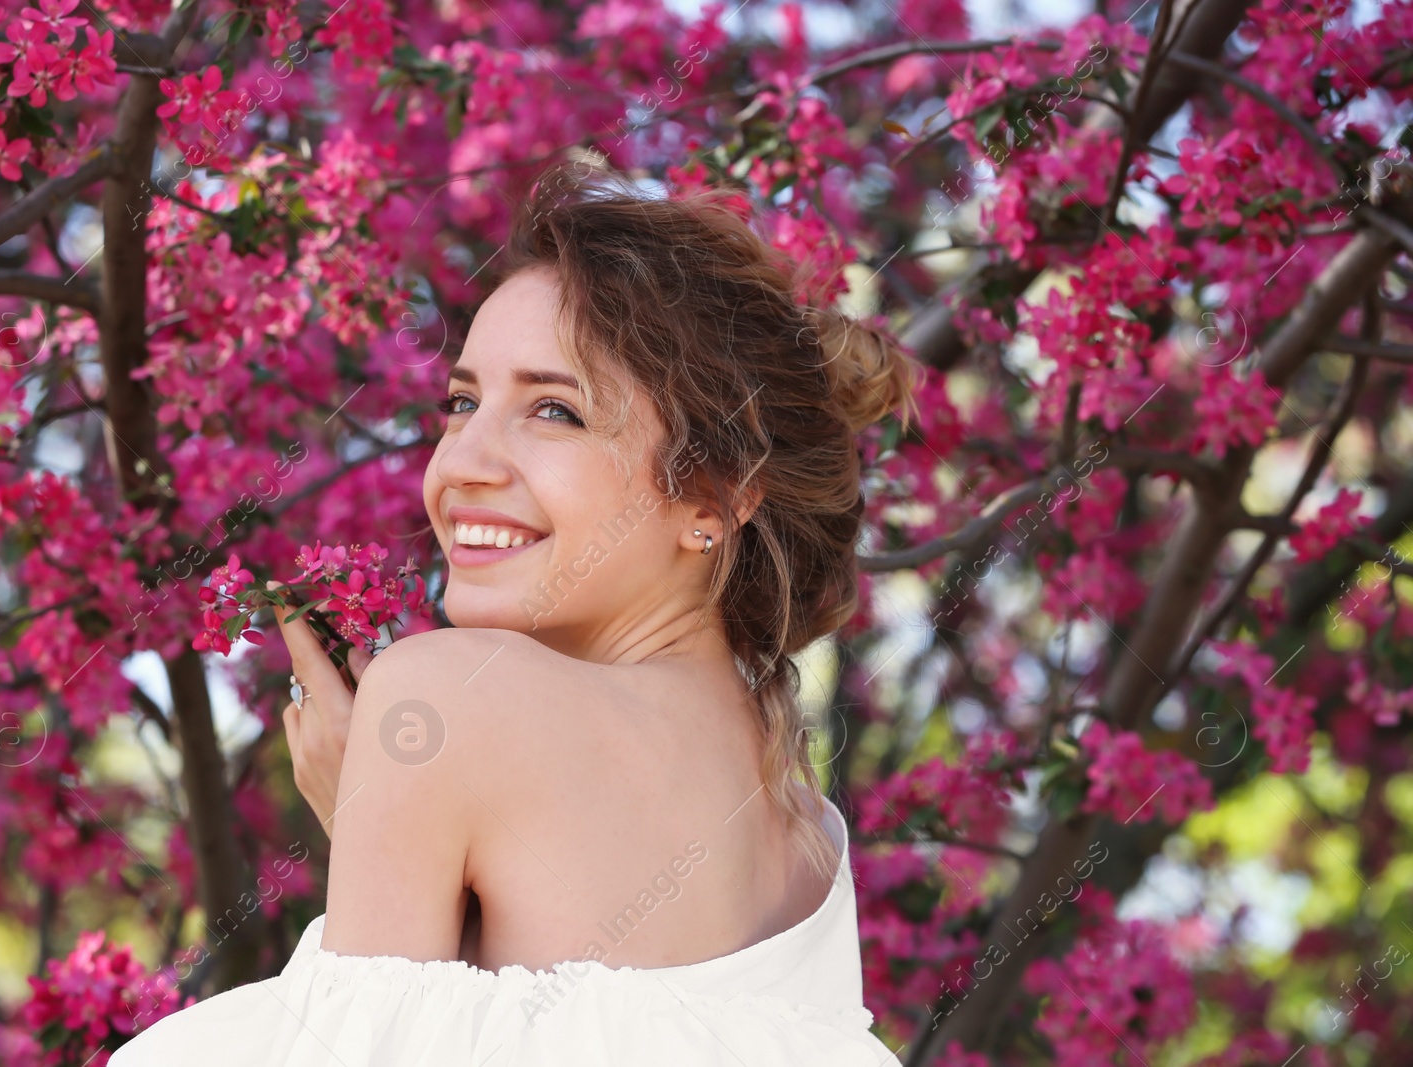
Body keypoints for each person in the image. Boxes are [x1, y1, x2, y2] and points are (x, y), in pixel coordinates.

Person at [111, 160, 917, 1066]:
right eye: (461, 401)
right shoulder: (806, 839)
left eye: (555, 411)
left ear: (714, 497)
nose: (464, 462)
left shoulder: (452, 698)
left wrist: (398, 795)